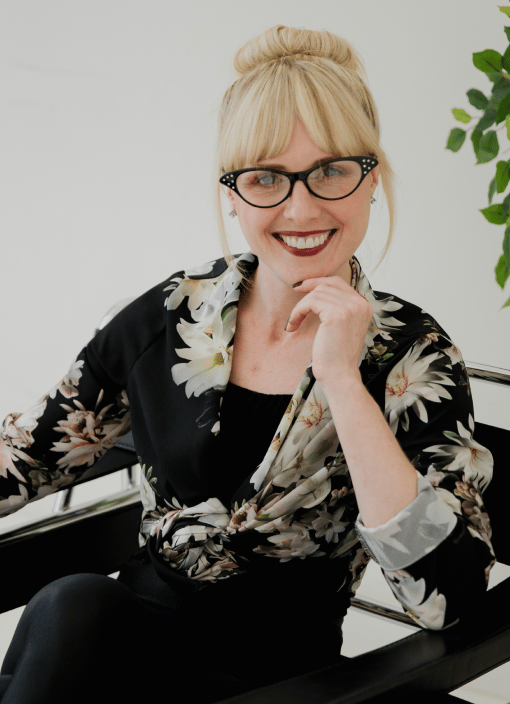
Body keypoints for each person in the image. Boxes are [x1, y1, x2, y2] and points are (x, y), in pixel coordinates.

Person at [0, 24, 495, 704]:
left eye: (331, 171)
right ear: (231, 193)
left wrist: (343, 379)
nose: (301, 208)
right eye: (265, 178)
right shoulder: (170, 316)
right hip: (123, 654)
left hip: (287, 683)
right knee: (72, 604)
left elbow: (446, 595)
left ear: (371, 179)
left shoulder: (413, 354)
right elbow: (27, 456)